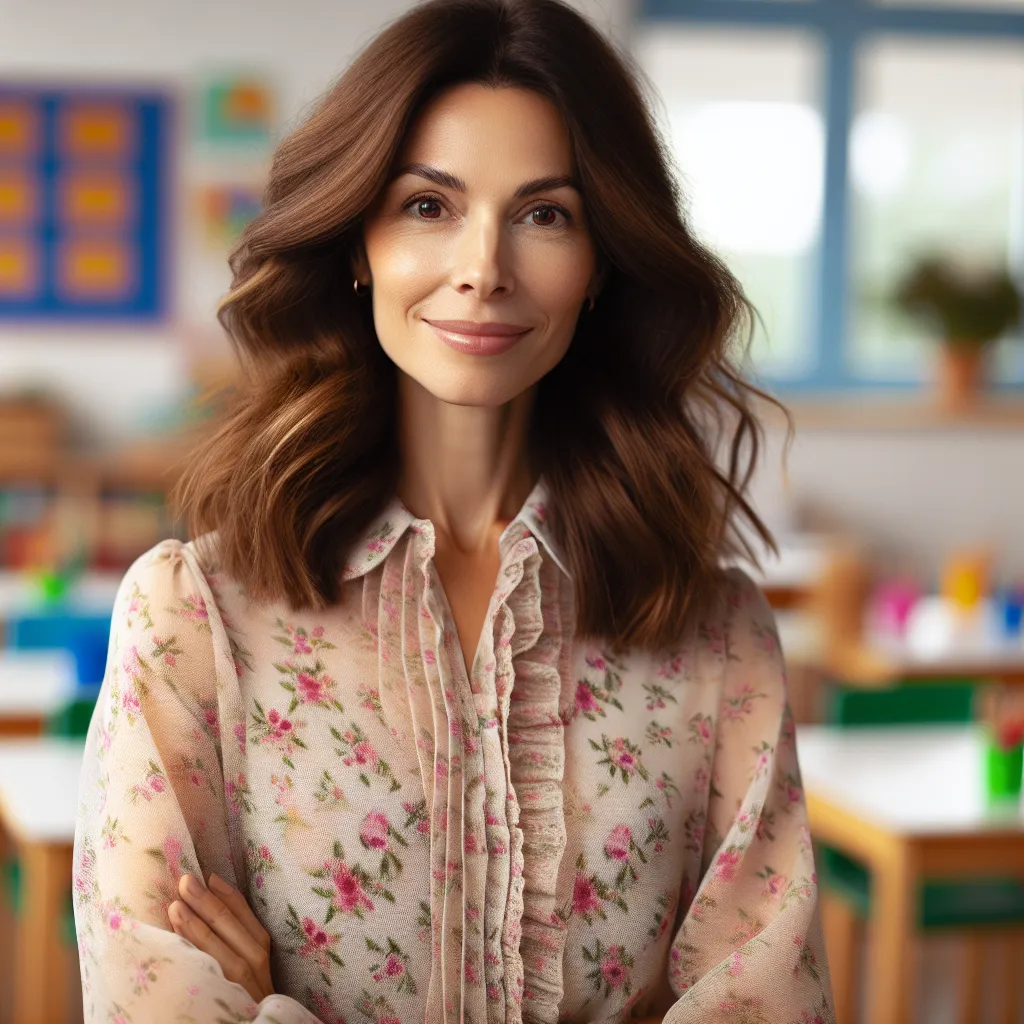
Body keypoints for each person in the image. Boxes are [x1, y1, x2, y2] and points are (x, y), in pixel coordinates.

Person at [72, 0, 835, 1020]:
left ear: (601, 261)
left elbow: (769, 1001)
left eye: (545, 213)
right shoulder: (191, 615)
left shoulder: (717, 635)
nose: (483, 268)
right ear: (358, 242)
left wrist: (272, 1006)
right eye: (427, 206)